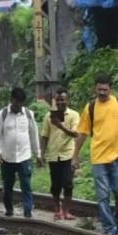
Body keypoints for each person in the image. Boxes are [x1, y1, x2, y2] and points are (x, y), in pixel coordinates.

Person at [73, 74, 118, 235]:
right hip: (98, 158)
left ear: (110, 89)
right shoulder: (90, 107)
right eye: (99, 90)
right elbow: (82, 133)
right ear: (95, 89)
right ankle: (108, 227)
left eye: (105, 90)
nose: (102, 93)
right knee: (103, 195)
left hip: (117, 156)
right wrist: (75, 155)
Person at [0, 86, 41, 218]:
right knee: (8, 187)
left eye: (20, 103)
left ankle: (28, 211)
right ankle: (9, 209)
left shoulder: (28, 114)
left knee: (26, 185)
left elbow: (33, 134)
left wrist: (38, 153)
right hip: (7, 157)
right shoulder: (2, 115)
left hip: (24, 156)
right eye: (16, 102)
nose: (18, 105)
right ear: (11, 100)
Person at [40, 89, 80, 221]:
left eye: (63, 99)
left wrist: (60, 125)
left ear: (67, 100)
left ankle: (66, 210)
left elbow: (75, 134)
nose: (60, 102)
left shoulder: (74, 115)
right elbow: (45, 136)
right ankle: (57, 207)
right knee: (55, 184)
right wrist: (42, 153)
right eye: (58, 100)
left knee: (68, 183)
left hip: (68, 154)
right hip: (53, 154)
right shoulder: (48, 117)